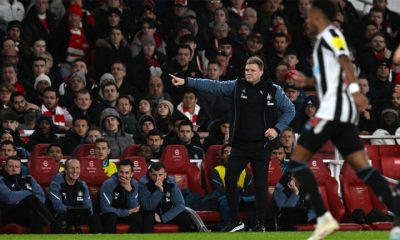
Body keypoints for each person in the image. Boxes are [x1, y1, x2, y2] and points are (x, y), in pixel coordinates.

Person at [289, 1, 400, 240]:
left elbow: (345, 62)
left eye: (311, 17)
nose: (307, 21)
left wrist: (355, 90)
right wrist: (306, 83)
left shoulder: (332, 35)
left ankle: (324, 218)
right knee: (364, 168)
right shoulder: (322, 42)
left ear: (319, 17)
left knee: (297, 160)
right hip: (339, 112)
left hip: (333, 112)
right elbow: (330, 79)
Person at [170, 55, 295, 232]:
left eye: (252, 70)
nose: (248, 73)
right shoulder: (237, 86)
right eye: (246, 70)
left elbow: (290, 110)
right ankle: (236, 220)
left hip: (262, 146)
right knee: (229, 179)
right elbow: (213, 86)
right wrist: (186, 81)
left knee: (260, 184)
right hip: (240, 144)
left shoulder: (273, 90)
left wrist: (277, 128)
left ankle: (259, 223)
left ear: (261, 71)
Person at [0, 156, 55, 232]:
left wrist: (32, 200)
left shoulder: (29, 179)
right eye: (10, 166)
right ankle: (54, 224)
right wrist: (29, 193)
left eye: (17, 167)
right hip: (12, 214)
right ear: (5, 167)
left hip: (30, 212)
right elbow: (10, 197)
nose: (14, 169)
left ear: (20, 168)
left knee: (34, 213)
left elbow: (41, 196)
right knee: (31, 199)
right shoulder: (2, 181)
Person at [49, 158, 102, 233]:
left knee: (95, 216)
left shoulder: (83, 185)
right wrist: (76, 210)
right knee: (62, 222)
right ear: (66, 170)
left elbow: (89, 208)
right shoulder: (56, 184)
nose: (75, 171)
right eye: (72, 168)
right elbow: (58, 207)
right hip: (63, 216)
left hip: (80, 216)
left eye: (77, 168)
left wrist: (77, 211)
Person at [210, 144, 254, 228]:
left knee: (259, 200)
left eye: (232, 152)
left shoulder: (244, 170)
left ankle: (256, 227)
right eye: (226, 152)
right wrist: (239, 190)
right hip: (228, 199)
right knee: (224, 202)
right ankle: (233, 226)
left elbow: (249, 189)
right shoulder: (216, 170)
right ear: (222, 156)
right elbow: (221, 190)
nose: (229, 154)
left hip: (243, 200)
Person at [139, 162, 192, 232]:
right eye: (154, 175)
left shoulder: (171, 182)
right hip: (150, 212)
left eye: (160, 175)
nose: (157, 178)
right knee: (148, 216)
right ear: (149, 174)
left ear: (165, 174)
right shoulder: (143, 182)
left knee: (186, 216)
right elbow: (148, 206)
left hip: (166, 212)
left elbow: (180, 204)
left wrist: (164, 217)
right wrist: (159, 190)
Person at [100, 160, 142, 233]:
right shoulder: (108, 184)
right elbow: (105, 208)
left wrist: (130, 191)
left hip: (127, 214)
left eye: (127, 173)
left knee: (137, 218)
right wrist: (126, 212)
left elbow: (134, 208)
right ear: (117, 172)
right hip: (111, 214)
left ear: (132, 174)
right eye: (121, 172)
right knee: (111, 217)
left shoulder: (135, 183)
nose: (123, 175)